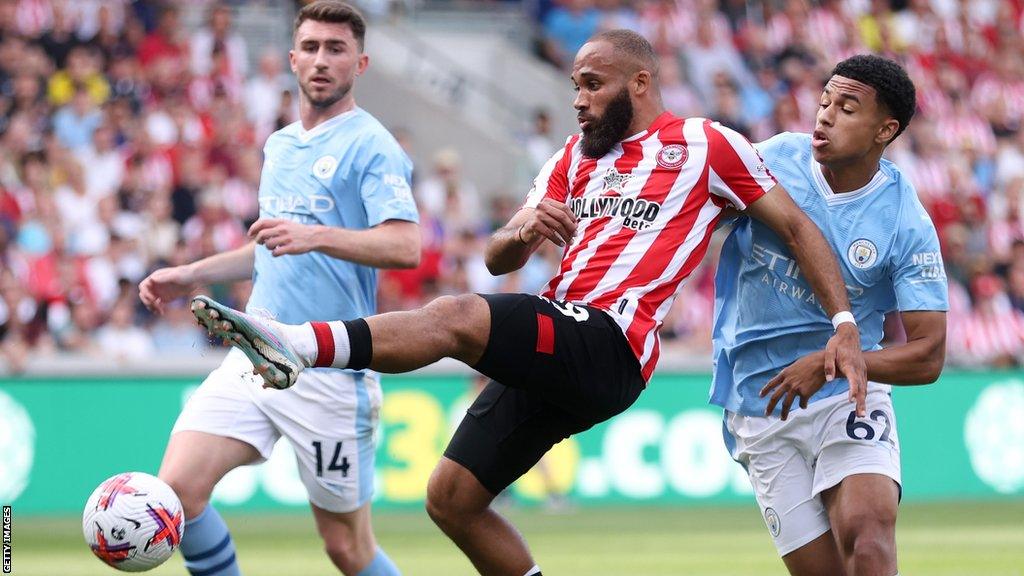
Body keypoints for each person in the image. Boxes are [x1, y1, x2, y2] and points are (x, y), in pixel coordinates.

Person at [190, 29, 866, 576]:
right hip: (567, 342)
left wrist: (842, 324)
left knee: (457, 317)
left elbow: (798, 227)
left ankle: (297, 344)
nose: (578, 98)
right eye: (574, 84)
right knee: (450, 499)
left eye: (592, 84)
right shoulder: (574, 158)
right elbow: (496, 257)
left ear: (640, 83)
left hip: (613, 341)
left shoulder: (705, 145)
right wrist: (523, 228)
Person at [137, 3, 419, 576]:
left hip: (329, 370)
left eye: (336, 49)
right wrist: (190, 274)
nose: (321, 60)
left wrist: (315, 235)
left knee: (347, 549)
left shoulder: (373, 145)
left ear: (359, 63)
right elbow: (273, 247)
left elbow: (405, 246)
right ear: (292, 59)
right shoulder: (280, 145)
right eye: (311, 47)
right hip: (255, 348)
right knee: (176, 495)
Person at [710, 55, 948, 576]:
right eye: (823, 103)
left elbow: (928, 354)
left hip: (847, 396)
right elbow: (692, 211)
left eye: (846, 108)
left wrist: (829, 363)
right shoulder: (771, 161)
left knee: (867, 537)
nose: (824, 117)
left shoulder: (904, 219)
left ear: (885, 129)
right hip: (760, 405)